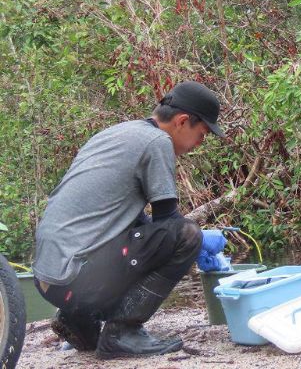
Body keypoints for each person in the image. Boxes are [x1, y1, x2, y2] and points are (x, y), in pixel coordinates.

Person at [32, 81, 225, 359]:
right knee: (188, 235)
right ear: (183, 122)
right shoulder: (157, 142)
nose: (199, 144)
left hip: (51, 281)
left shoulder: (117, 134)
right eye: (202, 134)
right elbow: (169, 223)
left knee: (155, 233)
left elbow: (132, 221)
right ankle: (122, 332)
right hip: (78, 276)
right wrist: (201, 241)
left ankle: (76, 319)